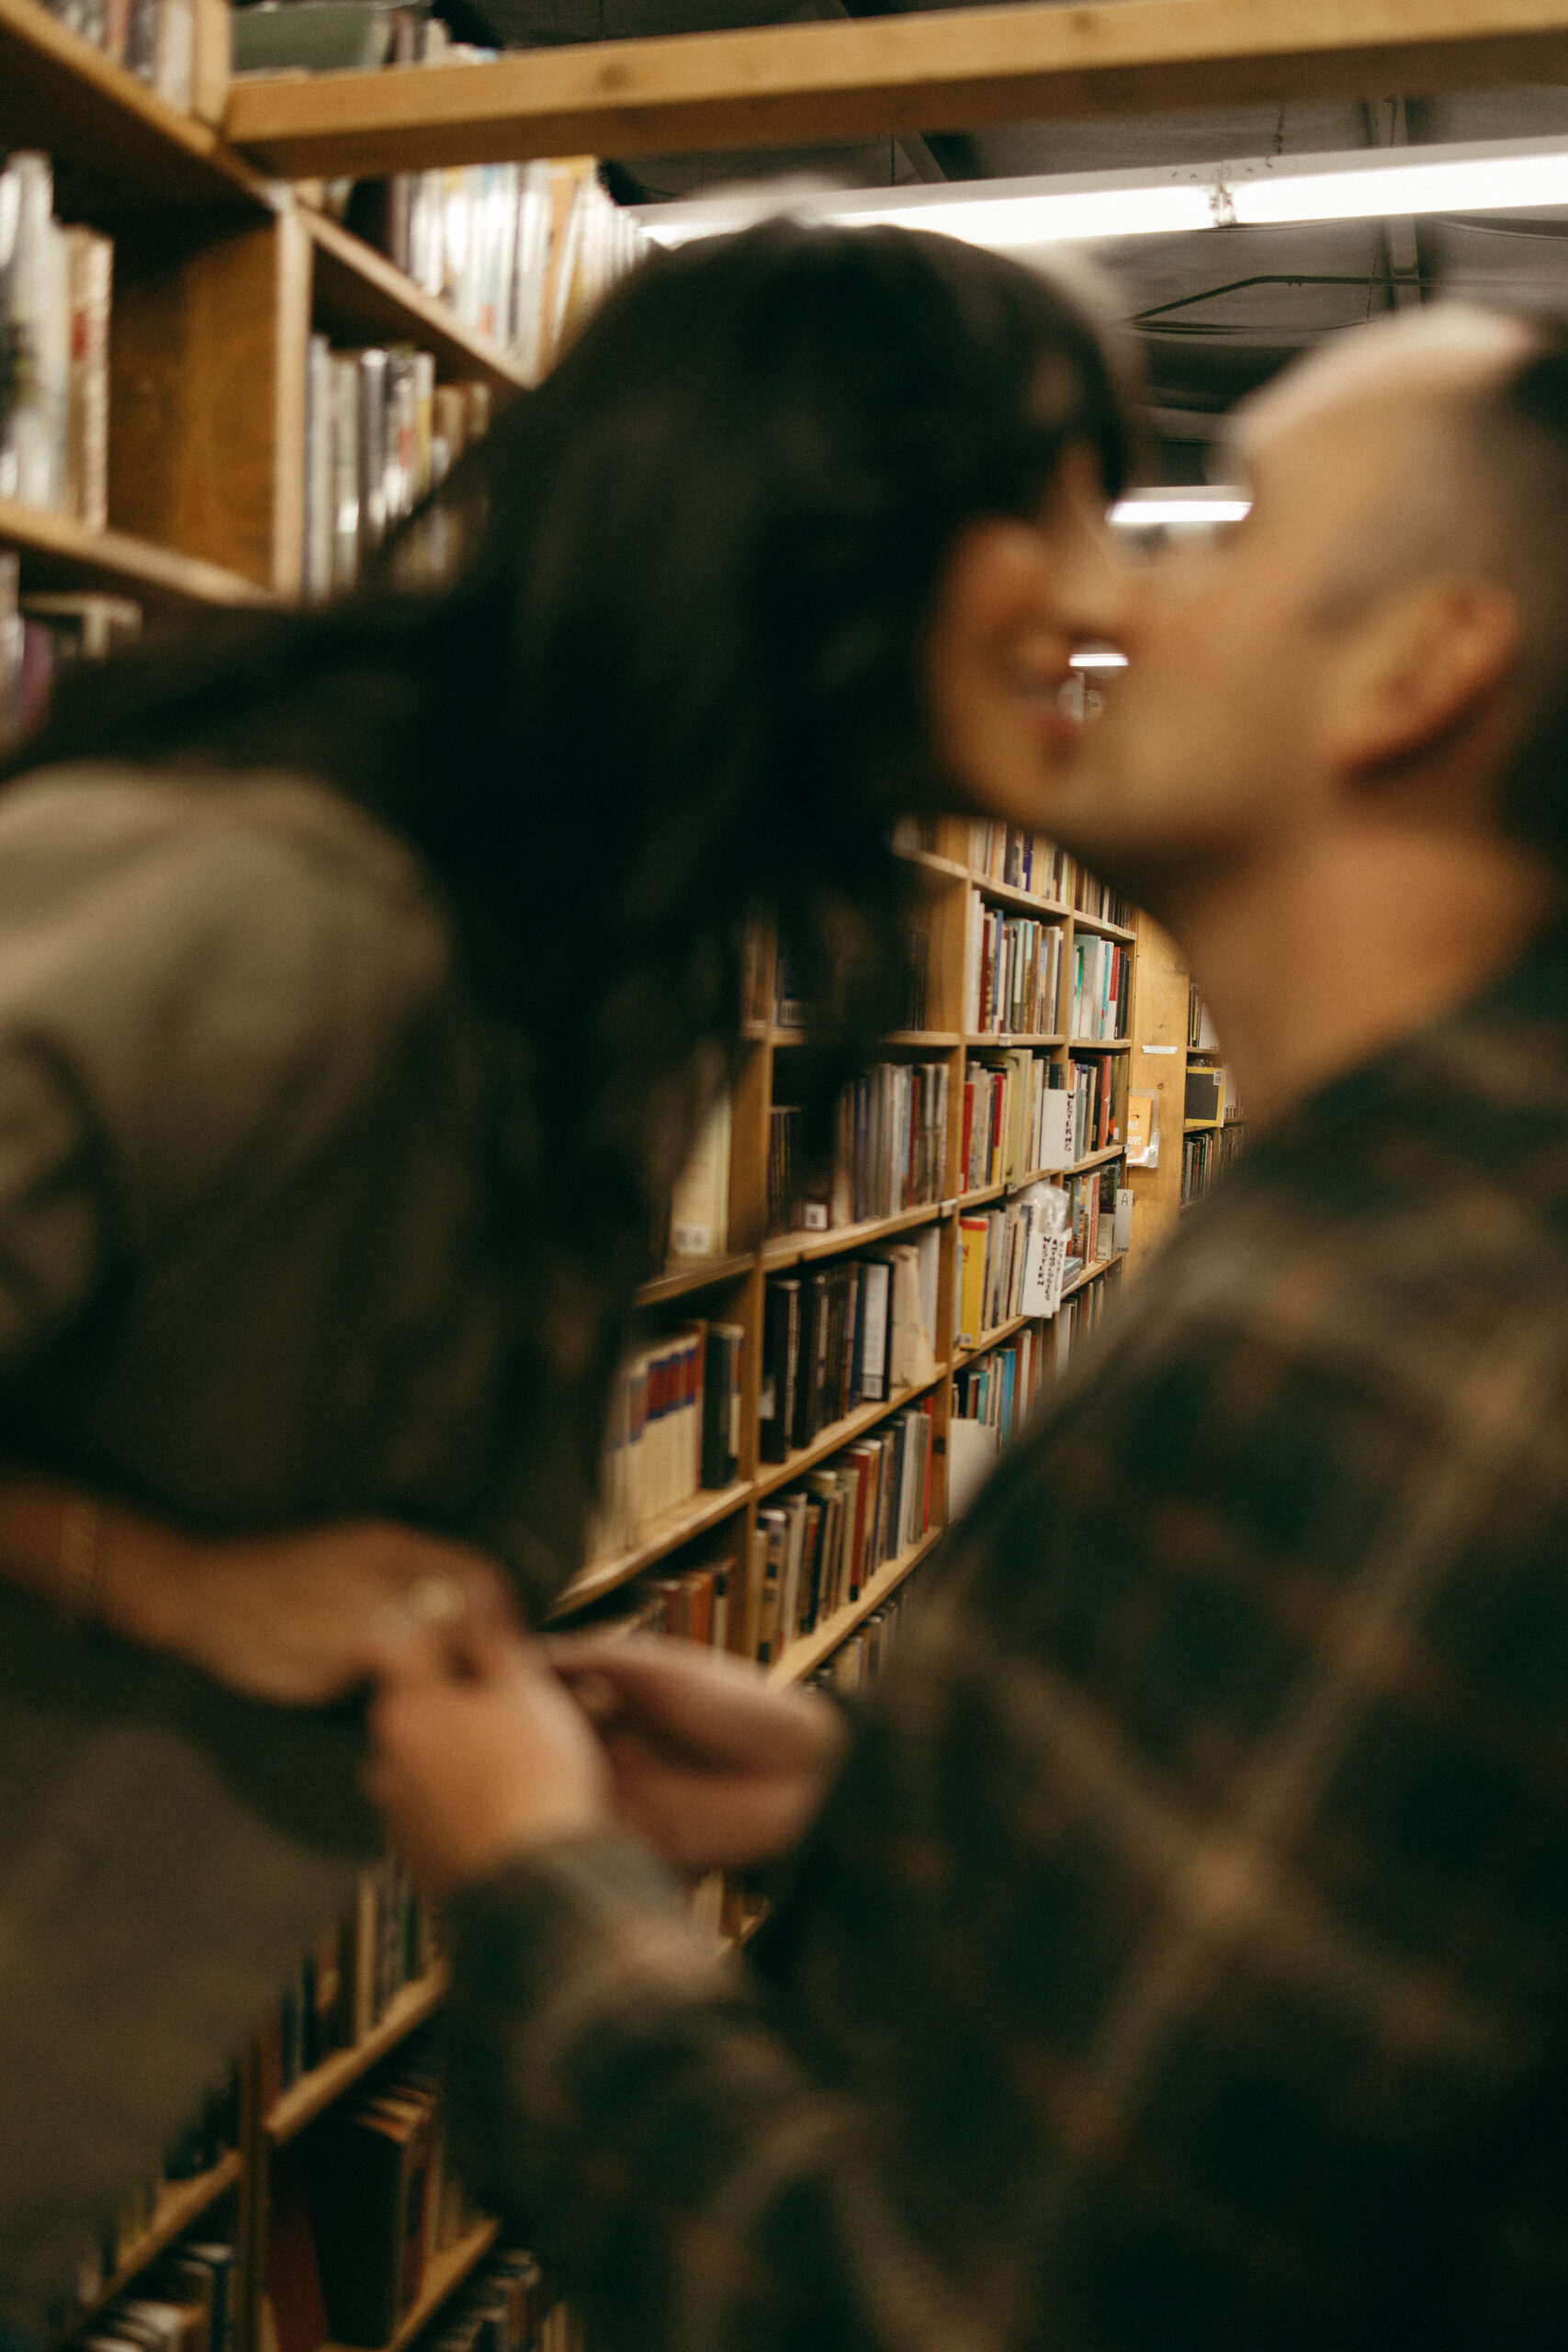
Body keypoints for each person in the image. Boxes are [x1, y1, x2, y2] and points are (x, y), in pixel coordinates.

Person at [368, 300, 1568, 2352]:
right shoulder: (1396, 1210)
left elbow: (931, 2313)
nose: (1103, 588)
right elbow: (1352, 2025)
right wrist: (882, 1792)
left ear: (1415, 666)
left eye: (1218, 526)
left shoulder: (1408, 1335)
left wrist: (530, 1878)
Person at [0, 221, 1134, 2322]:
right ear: (809, 520)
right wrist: (159, 1575)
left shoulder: (601, 945)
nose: (1100, 590)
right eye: (1037, 504)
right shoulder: (288, 891)